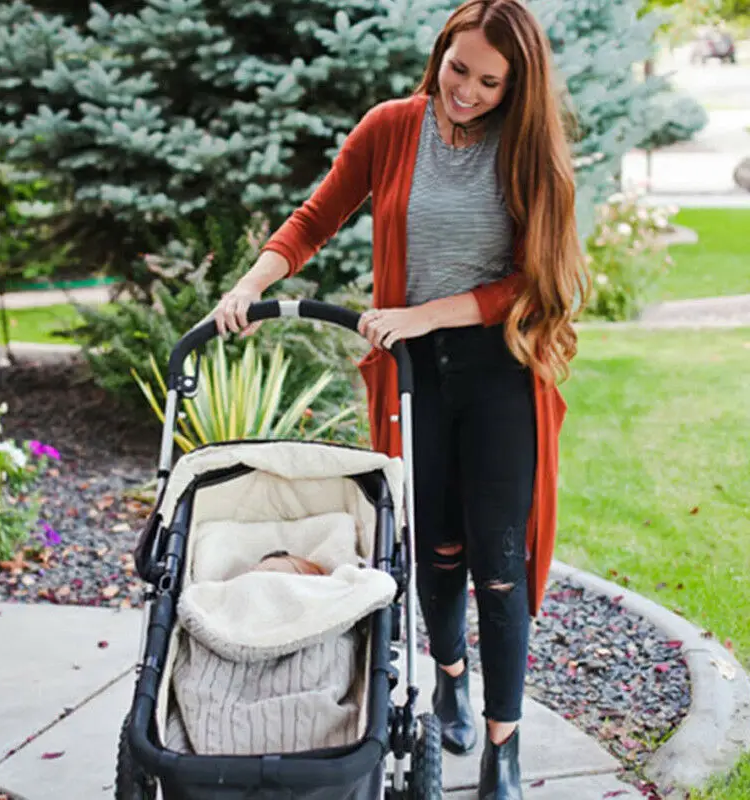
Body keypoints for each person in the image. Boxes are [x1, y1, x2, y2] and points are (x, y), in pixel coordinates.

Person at [211, 1, 589, 796]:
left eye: (490, 82)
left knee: (499, 561)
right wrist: (248, 285)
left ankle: (504, 747)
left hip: (500, 371)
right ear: (440, 52)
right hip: (414, 373)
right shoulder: (392, 128)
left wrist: (426, 314)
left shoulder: (528, 153)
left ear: (517, 86)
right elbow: (314, 219)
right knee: (435, 546)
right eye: (459, 68)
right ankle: (450, 674)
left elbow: (535, 280)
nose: (467, 90)